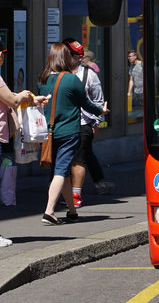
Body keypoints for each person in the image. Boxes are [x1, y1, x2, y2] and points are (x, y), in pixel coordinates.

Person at [38, 42, 108, 225]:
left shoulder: (43, 79)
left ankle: (71, 210)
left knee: (62, 172)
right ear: (64, 58)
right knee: (61, 171)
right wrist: (101, 112)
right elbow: (87, 104)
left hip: (50, 132)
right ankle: (49, 211)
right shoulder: (71, 79)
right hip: (69, 132)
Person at [0, 38, 42, 246]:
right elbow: (12, 100)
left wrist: (31, 98)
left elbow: (6, 97)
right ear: (0, 55)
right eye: (3, 53)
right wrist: (24, 94)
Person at [64, 39, 114, 206]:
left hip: (82, 123)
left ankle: (75, 195)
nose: (79, 59)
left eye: (80, 56)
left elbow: (98, 100)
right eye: (75, 55)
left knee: (78, 159)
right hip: (61, 124)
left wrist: (96, 123)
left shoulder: (89, 74)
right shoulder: (56, 73)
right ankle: (63, 193)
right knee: (63, 161)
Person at [126, 49, 143, 116]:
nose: (129, 58)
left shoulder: (142, 64)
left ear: (135, 56)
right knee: (138, 109)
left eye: (130, 56)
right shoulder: (131, 67)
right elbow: (131, 80)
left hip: (143, 91)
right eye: (128, 57)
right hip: (136, 92)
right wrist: (129, 92)